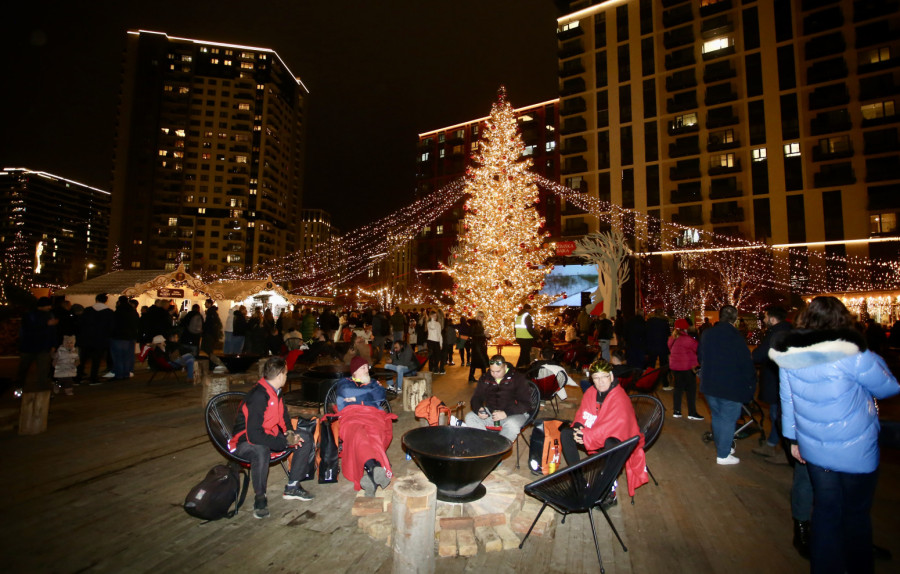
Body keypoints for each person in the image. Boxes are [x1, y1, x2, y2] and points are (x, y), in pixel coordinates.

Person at [769, 297, 899, 573]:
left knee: (826, 514)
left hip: (814, 449)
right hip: (857, 448)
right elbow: (888, 387)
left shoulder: (790, 354)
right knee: (856, 516)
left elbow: (787, 401)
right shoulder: (853, 354)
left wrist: (792, 440)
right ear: (843, 320)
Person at [228, 356, 316, 519]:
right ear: (281, 374)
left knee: (305, 437)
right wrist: (283, 442)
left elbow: (284, 417)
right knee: (260, 450)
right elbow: (254, 435)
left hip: (267, 435)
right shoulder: (259, 396)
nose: (287, 377)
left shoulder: (276, 392)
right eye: (286, 373)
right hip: (244, 442)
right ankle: (260, 498)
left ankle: (293, 486)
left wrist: (290, 433)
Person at [561, 360, 648, 502]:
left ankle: (608, 487)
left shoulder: (619, 397)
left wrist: (586, 436)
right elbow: (583, 415)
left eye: (604, 377)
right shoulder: (591, 392)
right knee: (566, 434)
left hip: (623, 440)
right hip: (594, 434)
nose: (600, 382)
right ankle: (579, 482)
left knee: (611, 443)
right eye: (596, 378)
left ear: (611, 377)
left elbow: (613, 428)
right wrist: (578, 429)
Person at [698, 305, 756, 465]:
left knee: (717, 416)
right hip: (730, 385)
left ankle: (723, 447)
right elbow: (746, 364)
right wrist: (751, 383)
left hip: (710, 383)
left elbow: (700, 356)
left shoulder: (707, 334)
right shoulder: (736, 337)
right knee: (729, 419)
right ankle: (723, 454)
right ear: (735, 319)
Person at [334, 356, 396, 496]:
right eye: (363, 368)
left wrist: (357, 398)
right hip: (351, 417)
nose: (367, 370)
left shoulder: (373, 382)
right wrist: (369, 395)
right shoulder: (345, 382)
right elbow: (346, 393)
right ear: (354, 372)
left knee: (373, 435)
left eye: (367, 367)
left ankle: (372, 474)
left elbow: (381, 394)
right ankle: (375, 469)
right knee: (358, 434)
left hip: (373, 416)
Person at [751, 306, 792, 459]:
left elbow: (759, 355)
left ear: (773, 319)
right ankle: (774, 445)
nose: (763, 320)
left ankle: (783, 449)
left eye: (766, 317)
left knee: (778, 415)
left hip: (776, 380)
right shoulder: (789, 331)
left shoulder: (776, 334)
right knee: (778, 414)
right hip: (781, 380)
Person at [465, 354, 533, 442]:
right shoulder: (486, 378)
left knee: (511, 425)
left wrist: (506, 413)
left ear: (505, 367)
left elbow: (526, 404)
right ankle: (484, 444)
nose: (495, 375)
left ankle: (498, 448)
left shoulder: (518, 378)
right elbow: (476, 397)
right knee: (470, 417)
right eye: (492, 371)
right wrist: (479, 409)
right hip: (492, 413)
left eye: (498, 371)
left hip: (515, 414)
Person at [16, 296, 59, 394]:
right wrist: (46, 324)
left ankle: (43, 389)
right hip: (29, 346)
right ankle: (19, 385)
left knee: (43, 369)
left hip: (43, 346)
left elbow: (52, 331)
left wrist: (53, 344)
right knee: (24, 368)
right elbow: (28, 329)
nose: (50, 307)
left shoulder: (49, 315)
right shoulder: (30, 315)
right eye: (48, 305)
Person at [668, 318, 703, 420]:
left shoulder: (672, 339)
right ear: (686, 328)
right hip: (688, 367)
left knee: (678, 389)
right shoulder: (688, 340)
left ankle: (677, 411)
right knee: (691, 390)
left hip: (675, 367)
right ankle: (692, 413)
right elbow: (698, 349)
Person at [77, 293, 115, 386]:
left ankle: (78, 378)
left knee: (83, 359)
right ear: (105, 301)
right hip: (100, 340)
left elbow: (80, 324)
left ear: (96, 299)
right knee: (96, 360)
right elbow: (111, 327)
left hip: (86, 339)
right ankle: (93, 378)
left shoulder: (88, 310)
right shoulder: (109, 312)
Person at [110, 296, 139, 380]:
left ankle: (119, 374)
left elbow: (113, 324)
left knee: (118, 356)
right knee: (127, 356)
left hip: (119, 336)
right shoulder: (133, 312)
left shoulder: (118, 311)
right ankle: (127, 373)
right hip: (131, 336)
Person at [468, 312, 490, 382]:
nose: (482, 318)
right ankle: (484, 377)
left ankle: (471, 376)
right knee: (482, 361)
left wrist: (487, 336)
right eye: (481, 316)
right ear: (477, 316)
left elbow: (480, 335)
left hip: (480, 346)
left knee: (475, 362)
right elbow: (473, 334)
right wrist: (483, 334)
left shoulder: (480, 324)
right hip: (477, 346)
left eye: (483, 317)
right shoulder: (474, 324)